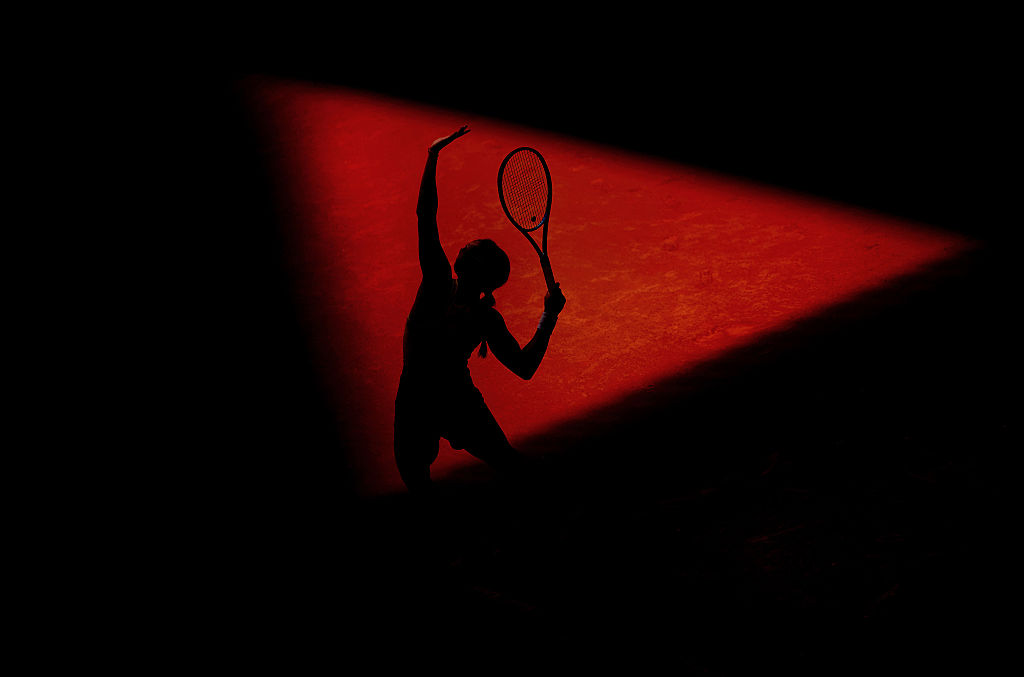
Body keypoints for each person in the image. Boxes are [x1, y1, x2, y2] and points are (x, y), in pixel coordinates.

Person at [394, 125, 566, 495]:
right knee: (508, 464)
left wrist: (432, 156)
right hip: (453, 400)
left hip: (421, 400)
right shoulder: (486, 318)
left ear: (469, 268)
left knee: (417, 481)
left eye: (470, 247)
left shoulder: (439, 282)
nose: (464, 244)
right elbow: (525, 367)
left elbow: (425, 215)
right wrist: (548, 316)